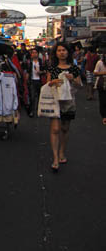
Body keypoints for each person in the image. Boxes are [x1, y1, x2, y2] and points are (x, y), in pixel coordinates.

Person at [46, 43, 81, 172]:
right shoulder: (52, 68)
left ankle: (61, 152)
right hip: (55, 101)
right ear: (56, 53)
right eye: (59, 50)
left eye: (64, 50)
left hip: (69, 101)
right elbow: (47, 85)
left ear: (68, 52)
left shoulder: (74, 69)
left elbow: (79, 85)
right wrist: (52, 82)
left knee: (65, 128)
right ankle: (55, 158)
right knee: (55, 129)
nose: (61, 52)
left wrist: (73, 79)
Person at [28, 47, 46, 117]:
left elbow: (45, 70)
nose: (34, 54)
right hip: (32, 81)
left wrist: (41, 72)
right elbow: (26, 70)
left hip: (40, 81)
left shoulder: (41, 61)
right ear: (31, 54)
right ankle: (32, 111)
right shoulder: (29, 62)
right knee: (32, 97)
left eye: (36, 53)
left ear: (38, 54)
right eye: (33, 53)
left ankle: (39, 110)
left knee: (39, 97)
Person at [93, 52, 106, 125]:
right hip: (102, 84)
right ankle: (104, 116)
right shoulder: (100, 63)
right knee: (103, 100)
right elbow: (95, 73)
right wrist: (104, 73)